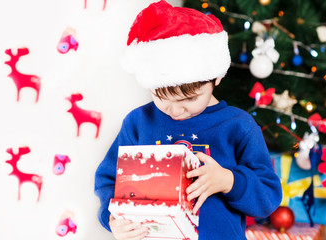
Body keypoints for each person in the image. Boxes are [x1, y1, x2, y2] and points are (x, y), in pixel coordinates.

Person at [94, 1, 282, 239]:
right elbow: (109, 179)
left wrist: (228, 181)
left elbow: (268, 196)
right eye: (161, 98)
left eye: (190, 99)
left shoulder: (238, 126)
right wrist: (113, 218)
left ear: (217, 78)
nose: (176, 111)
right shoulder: (138, 122)